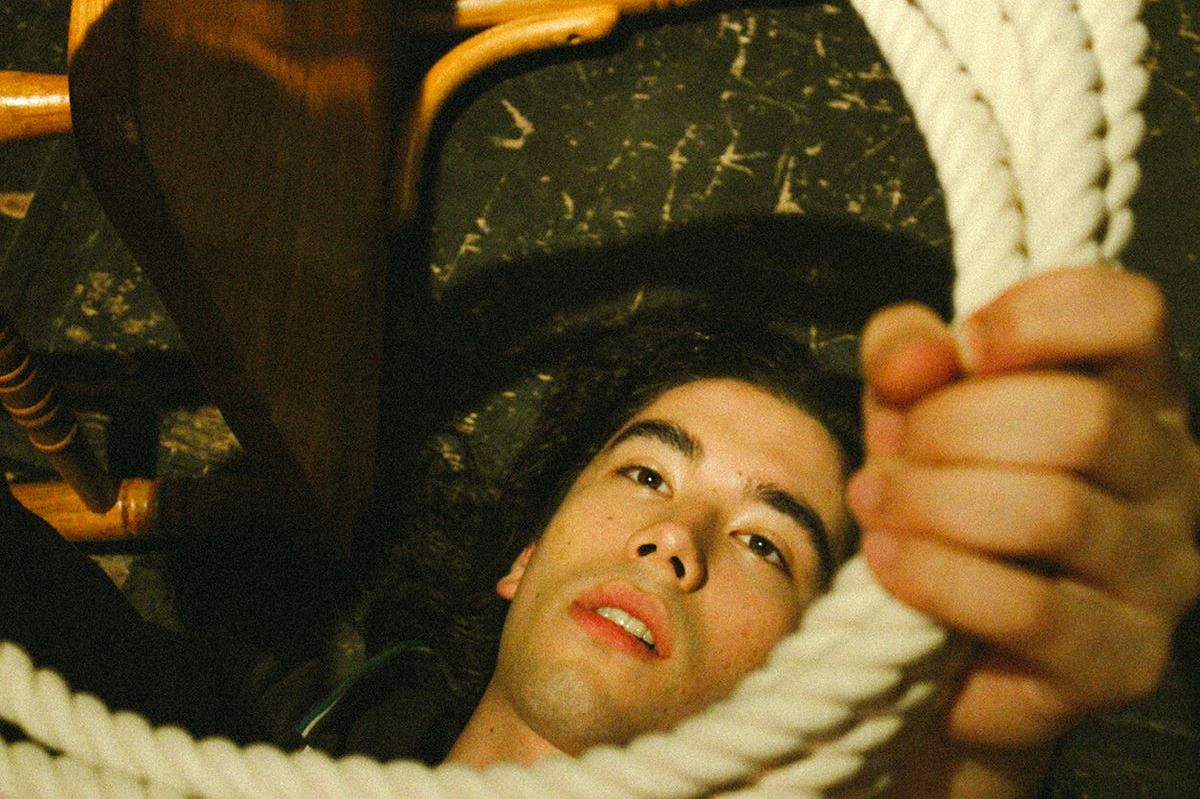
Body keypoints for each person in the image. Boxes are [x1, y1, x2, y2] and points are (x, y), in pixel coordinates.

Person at [2, 266, 1198, 799]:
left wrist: (976, 770)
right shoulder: (235, 736)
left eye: (768, 543)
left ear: (805, 679)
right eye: (644, 471)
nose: (676, 538)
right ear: (523, 557)